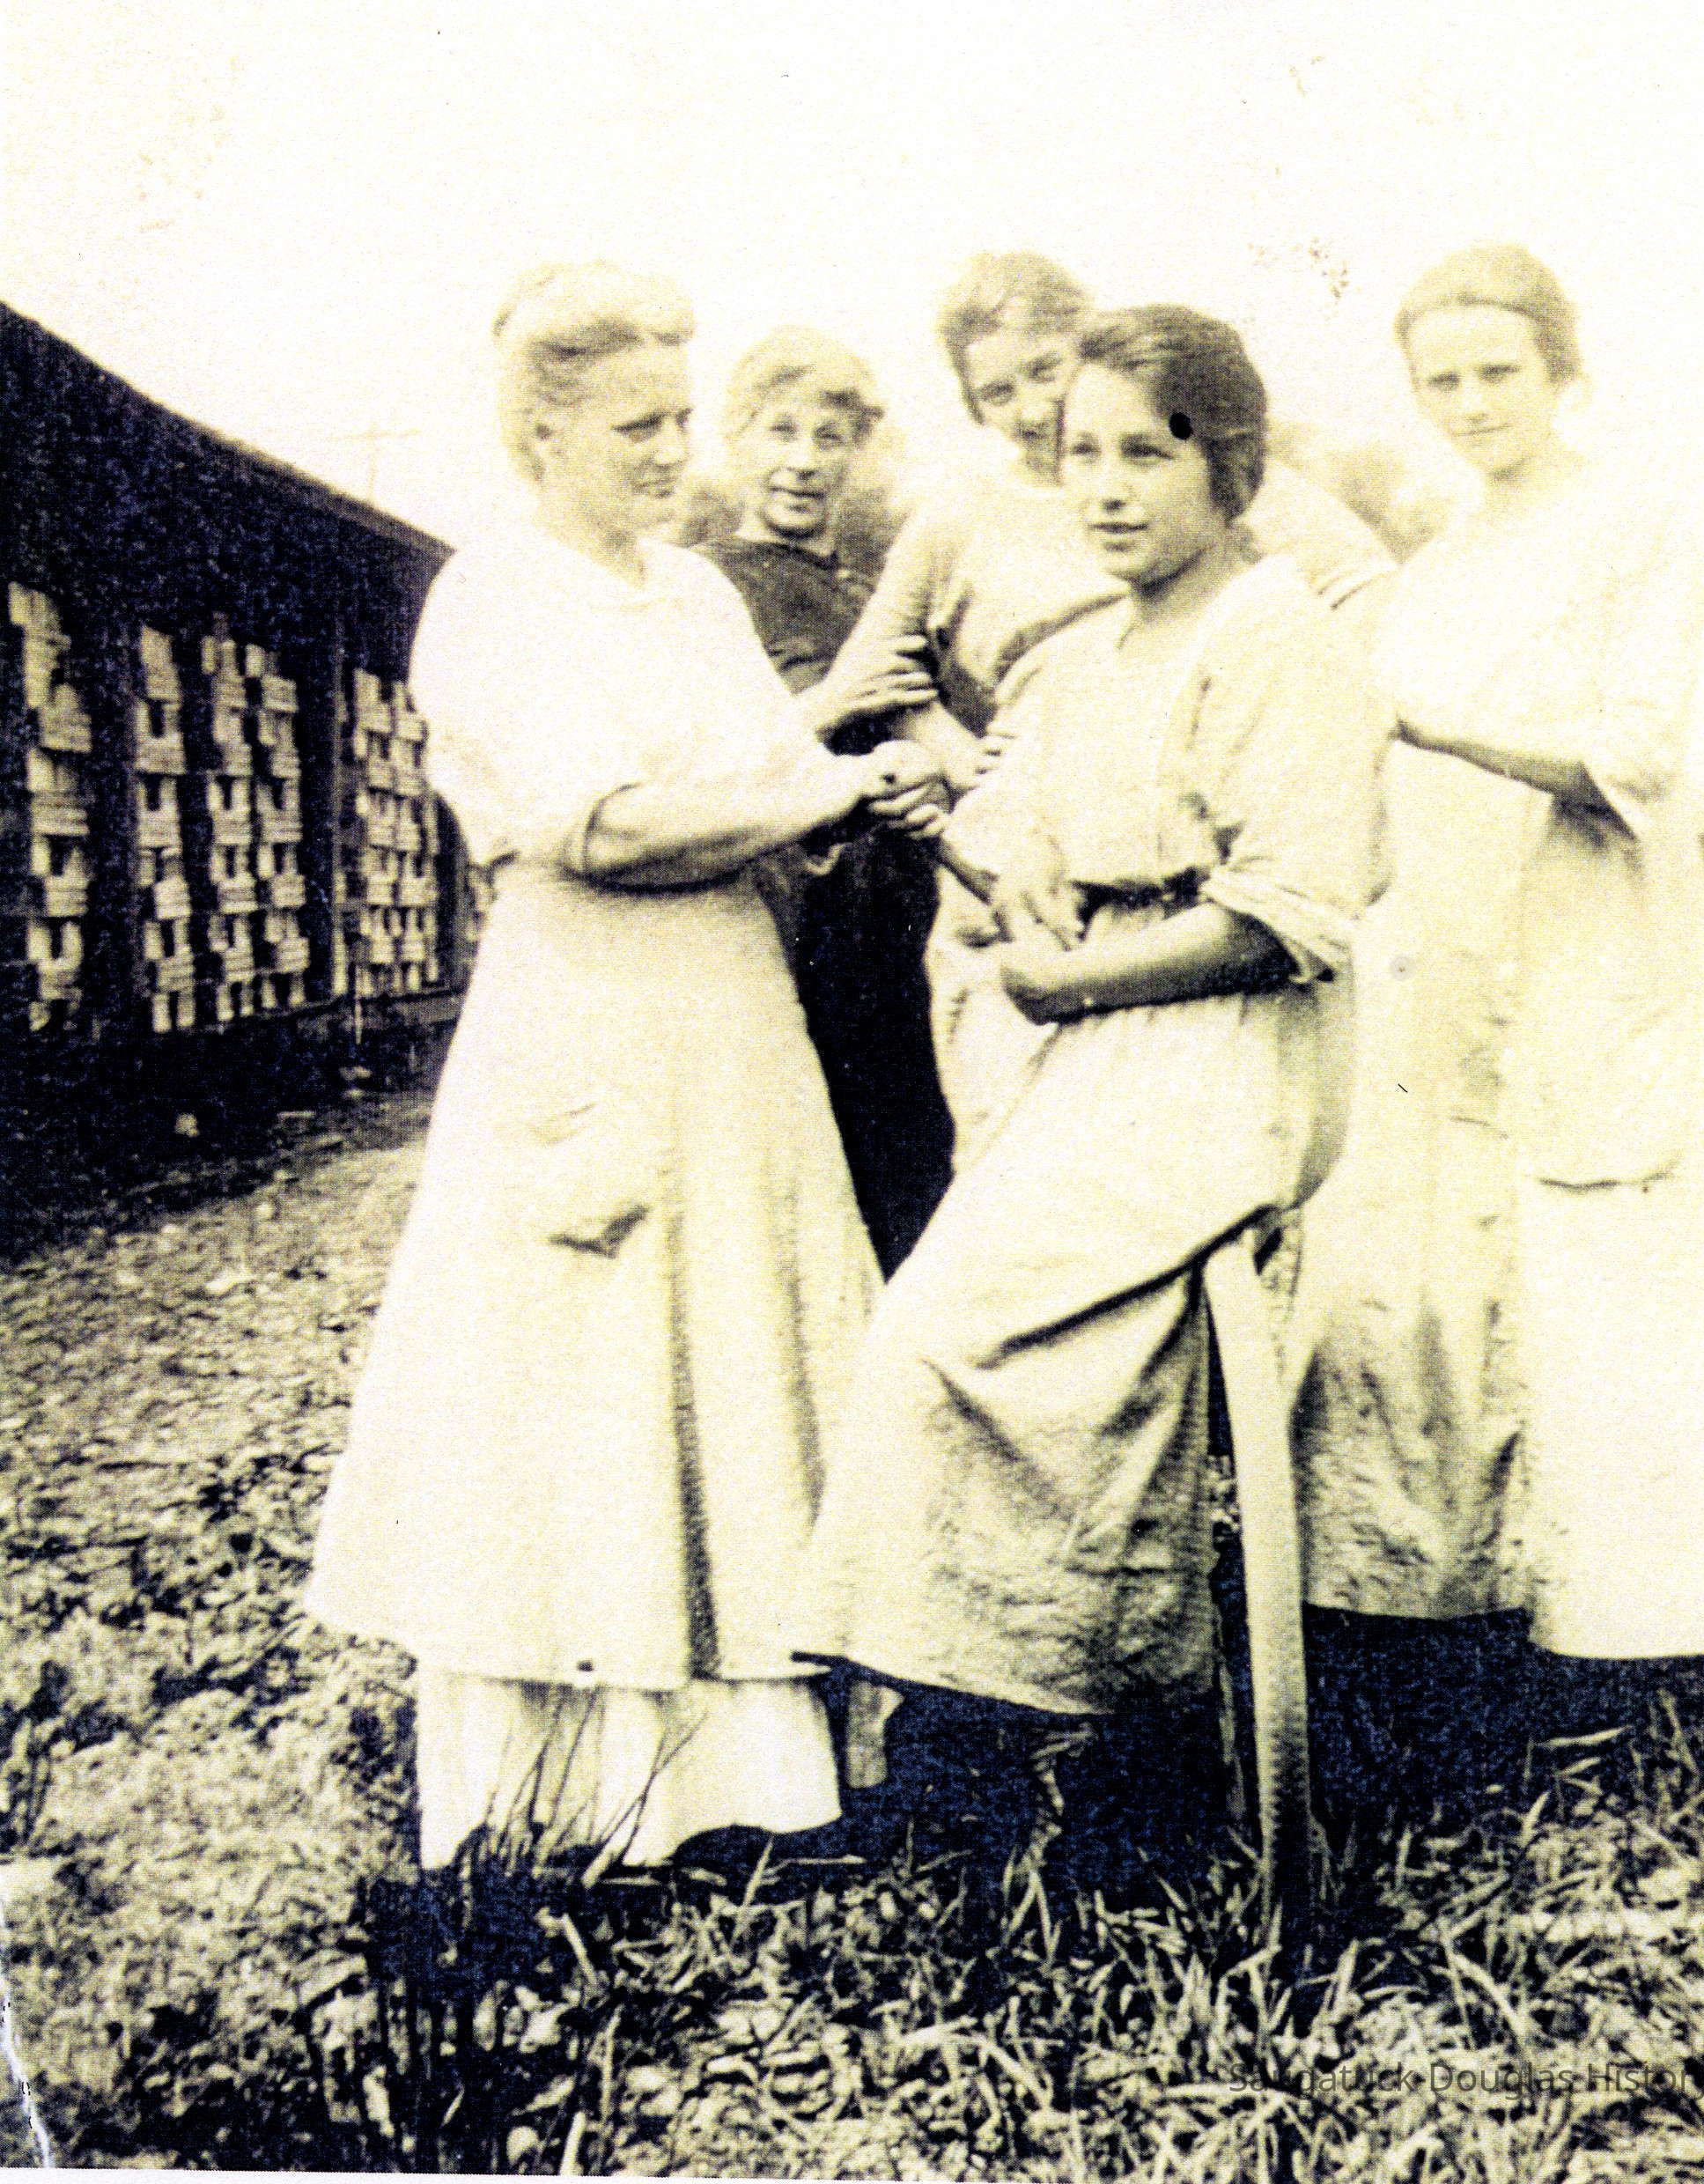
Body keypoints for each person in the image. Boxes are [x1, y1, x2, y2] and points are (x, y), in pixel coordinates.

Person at [304, 264, 947, 1870]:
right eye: (636, 423)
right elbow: (605, 829)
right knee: (581, 1389)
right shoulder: (497, 597)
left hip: (732, 1019)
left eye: (679, 418)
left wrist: (886, 787)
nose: (673, 452)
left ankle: (753, 1785)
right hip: (588, 1015)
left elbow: (779, 772)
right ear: (541, 429)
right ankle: (573, 1801)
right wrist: (828, 788)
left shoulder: (696, 595)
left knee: (736, 1365)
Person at [795, 308, 1388, 1801]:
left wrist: (1075, 981)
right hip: (1104, 1039)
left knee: (963, 1326)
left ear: (1231, 468)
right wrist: (1020, 885)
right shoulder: (1090, 648)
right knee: (936, 1312)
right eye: (1080, 458)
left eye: (1148, 454)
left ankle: (1061, 1691)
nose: (1108, 488)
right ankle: (1019, 1681)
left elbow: (1285, 911)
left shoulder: (1275, 632)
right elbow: (1010, 829)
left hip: (1232, 1045)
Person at [1293, 245, 1704, 1773]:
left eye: (1494, 373)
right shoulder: (1433, 565)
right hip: (1447, 949)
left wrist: (1435, 724)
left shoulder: (1632, 527)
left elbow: (1630, 751)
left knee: (1610, 1264)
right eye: (1438, 381)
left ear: (1559, 369)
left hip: (1591, 935)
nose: (1467, 405)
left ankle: (1667, 1639)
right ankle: (1480, 1610)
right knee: (1447, 1268)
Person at [816, 251, 1398, 1169]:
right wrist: (958, 752)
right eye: (996, 390)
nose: (1032, 407)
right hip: (1013, 830)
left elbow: (1364, 582)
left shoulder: (1187, 473)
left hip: (1174, 819)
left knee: (1168, 1126)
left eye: (1046, 371)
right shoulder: (959, 512)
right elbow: (874, 671)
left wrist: (1290, 720)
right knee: (1014, 1123)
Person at [700, 328, 954, 1266]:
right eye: (780, 432)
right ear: (734, 438)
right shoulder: (704, 587)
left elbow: (933, 733)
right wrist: (832, 704)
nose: (803, 462)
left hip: (898, 920)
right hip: (788, 921)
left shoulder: (872, 591)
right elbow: (698, 769)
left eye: (829, 438)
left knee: (914, 1181)